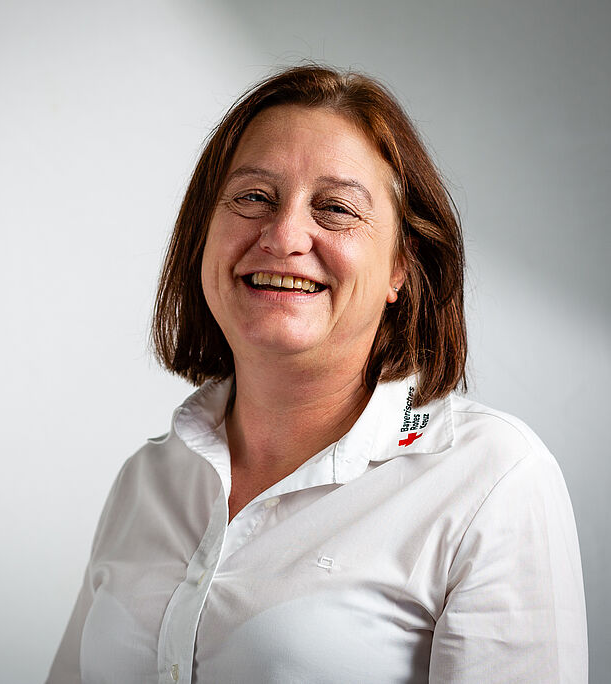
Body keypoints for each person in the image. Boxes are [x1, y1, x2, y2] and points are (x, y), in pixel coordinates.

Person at [47, 66, 588, 683]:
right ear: (203, 233)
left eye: (335, 208)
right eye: (254, 197)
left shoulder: (492, 479)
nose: (283, 237)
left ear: (400, 267)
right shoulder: (147, 480)